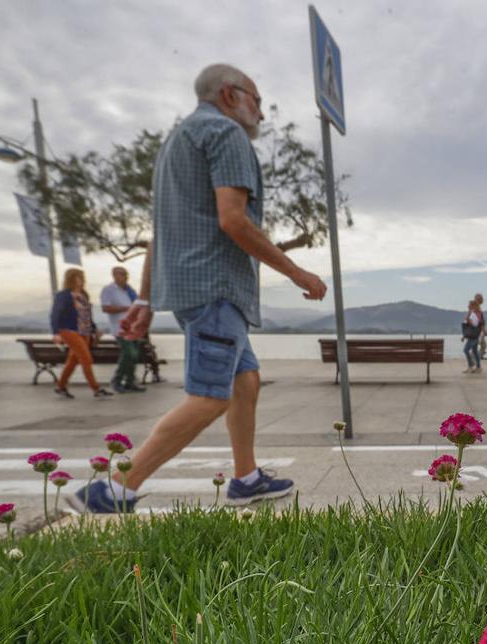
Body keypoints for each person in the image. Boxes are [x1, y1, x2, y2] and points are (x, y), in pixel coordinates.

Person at [69, 63, 327, 514]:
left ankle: (246, 478)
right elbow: (233, 220)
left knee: (245, 379)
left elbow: (161, 231)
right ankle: (113, 489)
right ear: (231, 95)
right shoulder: (225, 135)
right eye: (257, 100)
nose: (261, 114)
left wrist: (146, 299)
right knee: (210, 395)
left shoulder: (178, 141)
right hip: (215, 286)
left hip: (191, 286)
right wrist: (296, 272)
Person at [50, 268, 112, 399]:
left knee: (73, 360)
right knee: (86, 359)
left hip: (85, 331)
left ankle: (61, 386)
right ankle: (96, 388)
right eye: (78, 277)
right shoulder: (64, 295)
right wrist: (56, 332)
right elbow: (55, 314)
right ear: (71, 279)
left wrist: (95, 329)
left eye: (82, 277)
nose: (81, 280)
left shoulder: (84, 295)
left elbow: (87, 315)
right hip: (69, 330)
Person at [100, 266, 145, 393]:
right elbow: (105, 308)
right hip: (120, 328)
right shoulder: (109, 290)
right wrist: (126, 309)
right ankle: (117, 380)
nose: (124, 276)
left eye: (125, 274)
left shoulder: (129, 291)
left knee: (134, 356)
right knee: (130, 353)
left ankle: (130, 382)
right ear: (114, 275)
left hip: (134, 326)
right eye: (120, 274)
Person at [462, 299, 483, 373]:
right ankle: (478, 367)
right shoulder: (472, 313)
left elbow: (474, 324)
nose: (468, 306)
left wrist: (468, 320)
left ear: (473, 306)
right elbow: (465, 321)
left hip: (473, 336)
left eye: (469, 304)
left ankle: (471, 366)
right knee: (474, 351)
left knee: (465, 350)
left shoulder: (476, 314)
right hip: (473, 335)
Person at [474, 292, 487, 359]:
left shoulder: (476, 307)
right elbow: (480, 321)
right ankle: (476, 357)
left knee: (482, 344)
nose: (483, 300)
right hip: (478, 329)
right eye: (481, 298)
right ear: (478, 299)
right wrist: (484, 330)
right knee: (481, 344)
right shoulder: (477, 308)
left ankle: (479, 356)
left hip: (477, 329)